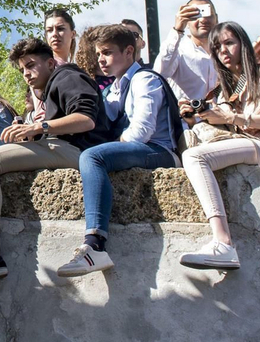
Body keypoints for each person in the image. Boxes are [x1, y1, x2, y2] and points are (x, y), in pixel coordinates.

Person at [0, 37, 107, 288]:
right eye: (22, 70)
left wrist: (39, 126)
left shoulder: (66, 76)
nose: (26, 74)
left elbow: (85, 120)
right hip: (61, 146)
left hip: (78, 152)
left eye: (30, 66)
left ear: (50, 63)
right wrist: (30, 129)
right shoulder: (51, 87)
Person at [176, 21, 260, 270]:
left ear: (243, 44)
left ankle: (222, 243)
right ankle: (222, 243)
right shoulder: (226, 91)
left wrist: (233, 118)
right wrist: (196, 118)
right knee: (192, 151)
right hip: (253, 144)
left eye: (229, 42)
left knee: (194, 157)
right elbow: (227, 127)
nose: (223, 50)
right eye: (217, 47)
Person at [58, 24, 179, 277]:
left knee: (93, 156)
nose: (101, 59)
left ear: (129, 52)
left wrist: (108, 147)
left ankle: (95, 245)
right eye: (99, 53)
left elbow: (141, 132)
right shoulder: (115, 88)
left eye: (108, 52)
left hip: (160, 151)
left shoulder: (145, 79)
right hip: (140, 148)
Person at [156, 0, 219, 103]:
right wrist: (178, 29)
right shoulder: (178, 50)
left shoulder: (225, 53)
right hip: (185, 119)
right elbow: (160, 73)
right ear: (187, 22)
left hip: (223, 118)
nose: (203, 19)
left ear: (216, 19)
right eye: (195, 15)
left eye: (208, 13)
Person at [26, 7, 78, 121]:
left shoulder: (77, 70)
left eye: (60, 28)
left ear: (73, 34)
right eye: (49, 30)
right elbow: (41, 113)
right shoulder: (41, 67)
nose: (54, 34)